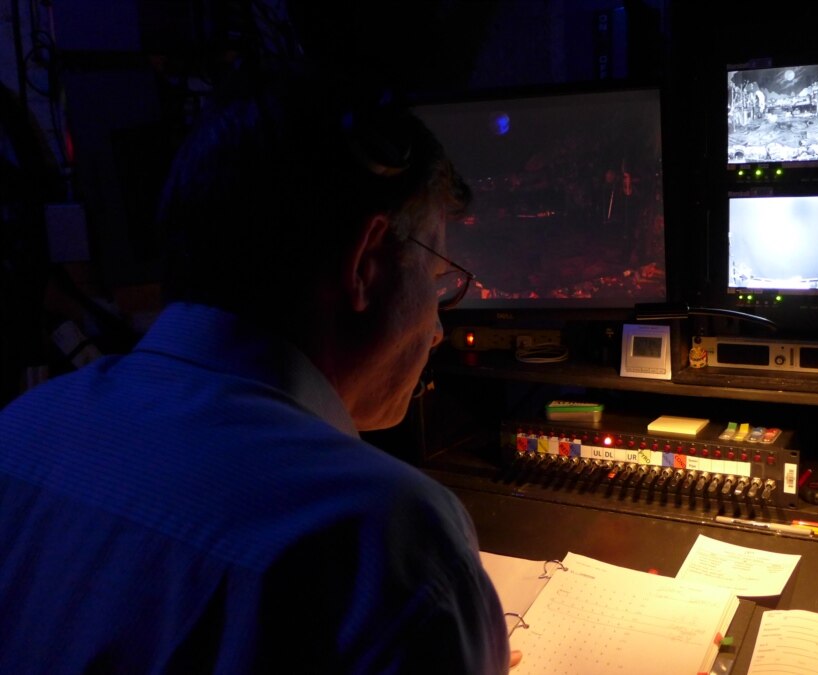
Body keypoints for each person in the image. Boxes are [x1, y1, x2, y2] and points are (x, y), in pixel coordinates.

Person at [0, 60, 518, 673]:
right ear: (364, 264)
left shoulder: (22, 429)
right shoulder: (391, 544)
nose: (436, 329)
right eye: (436, 279)